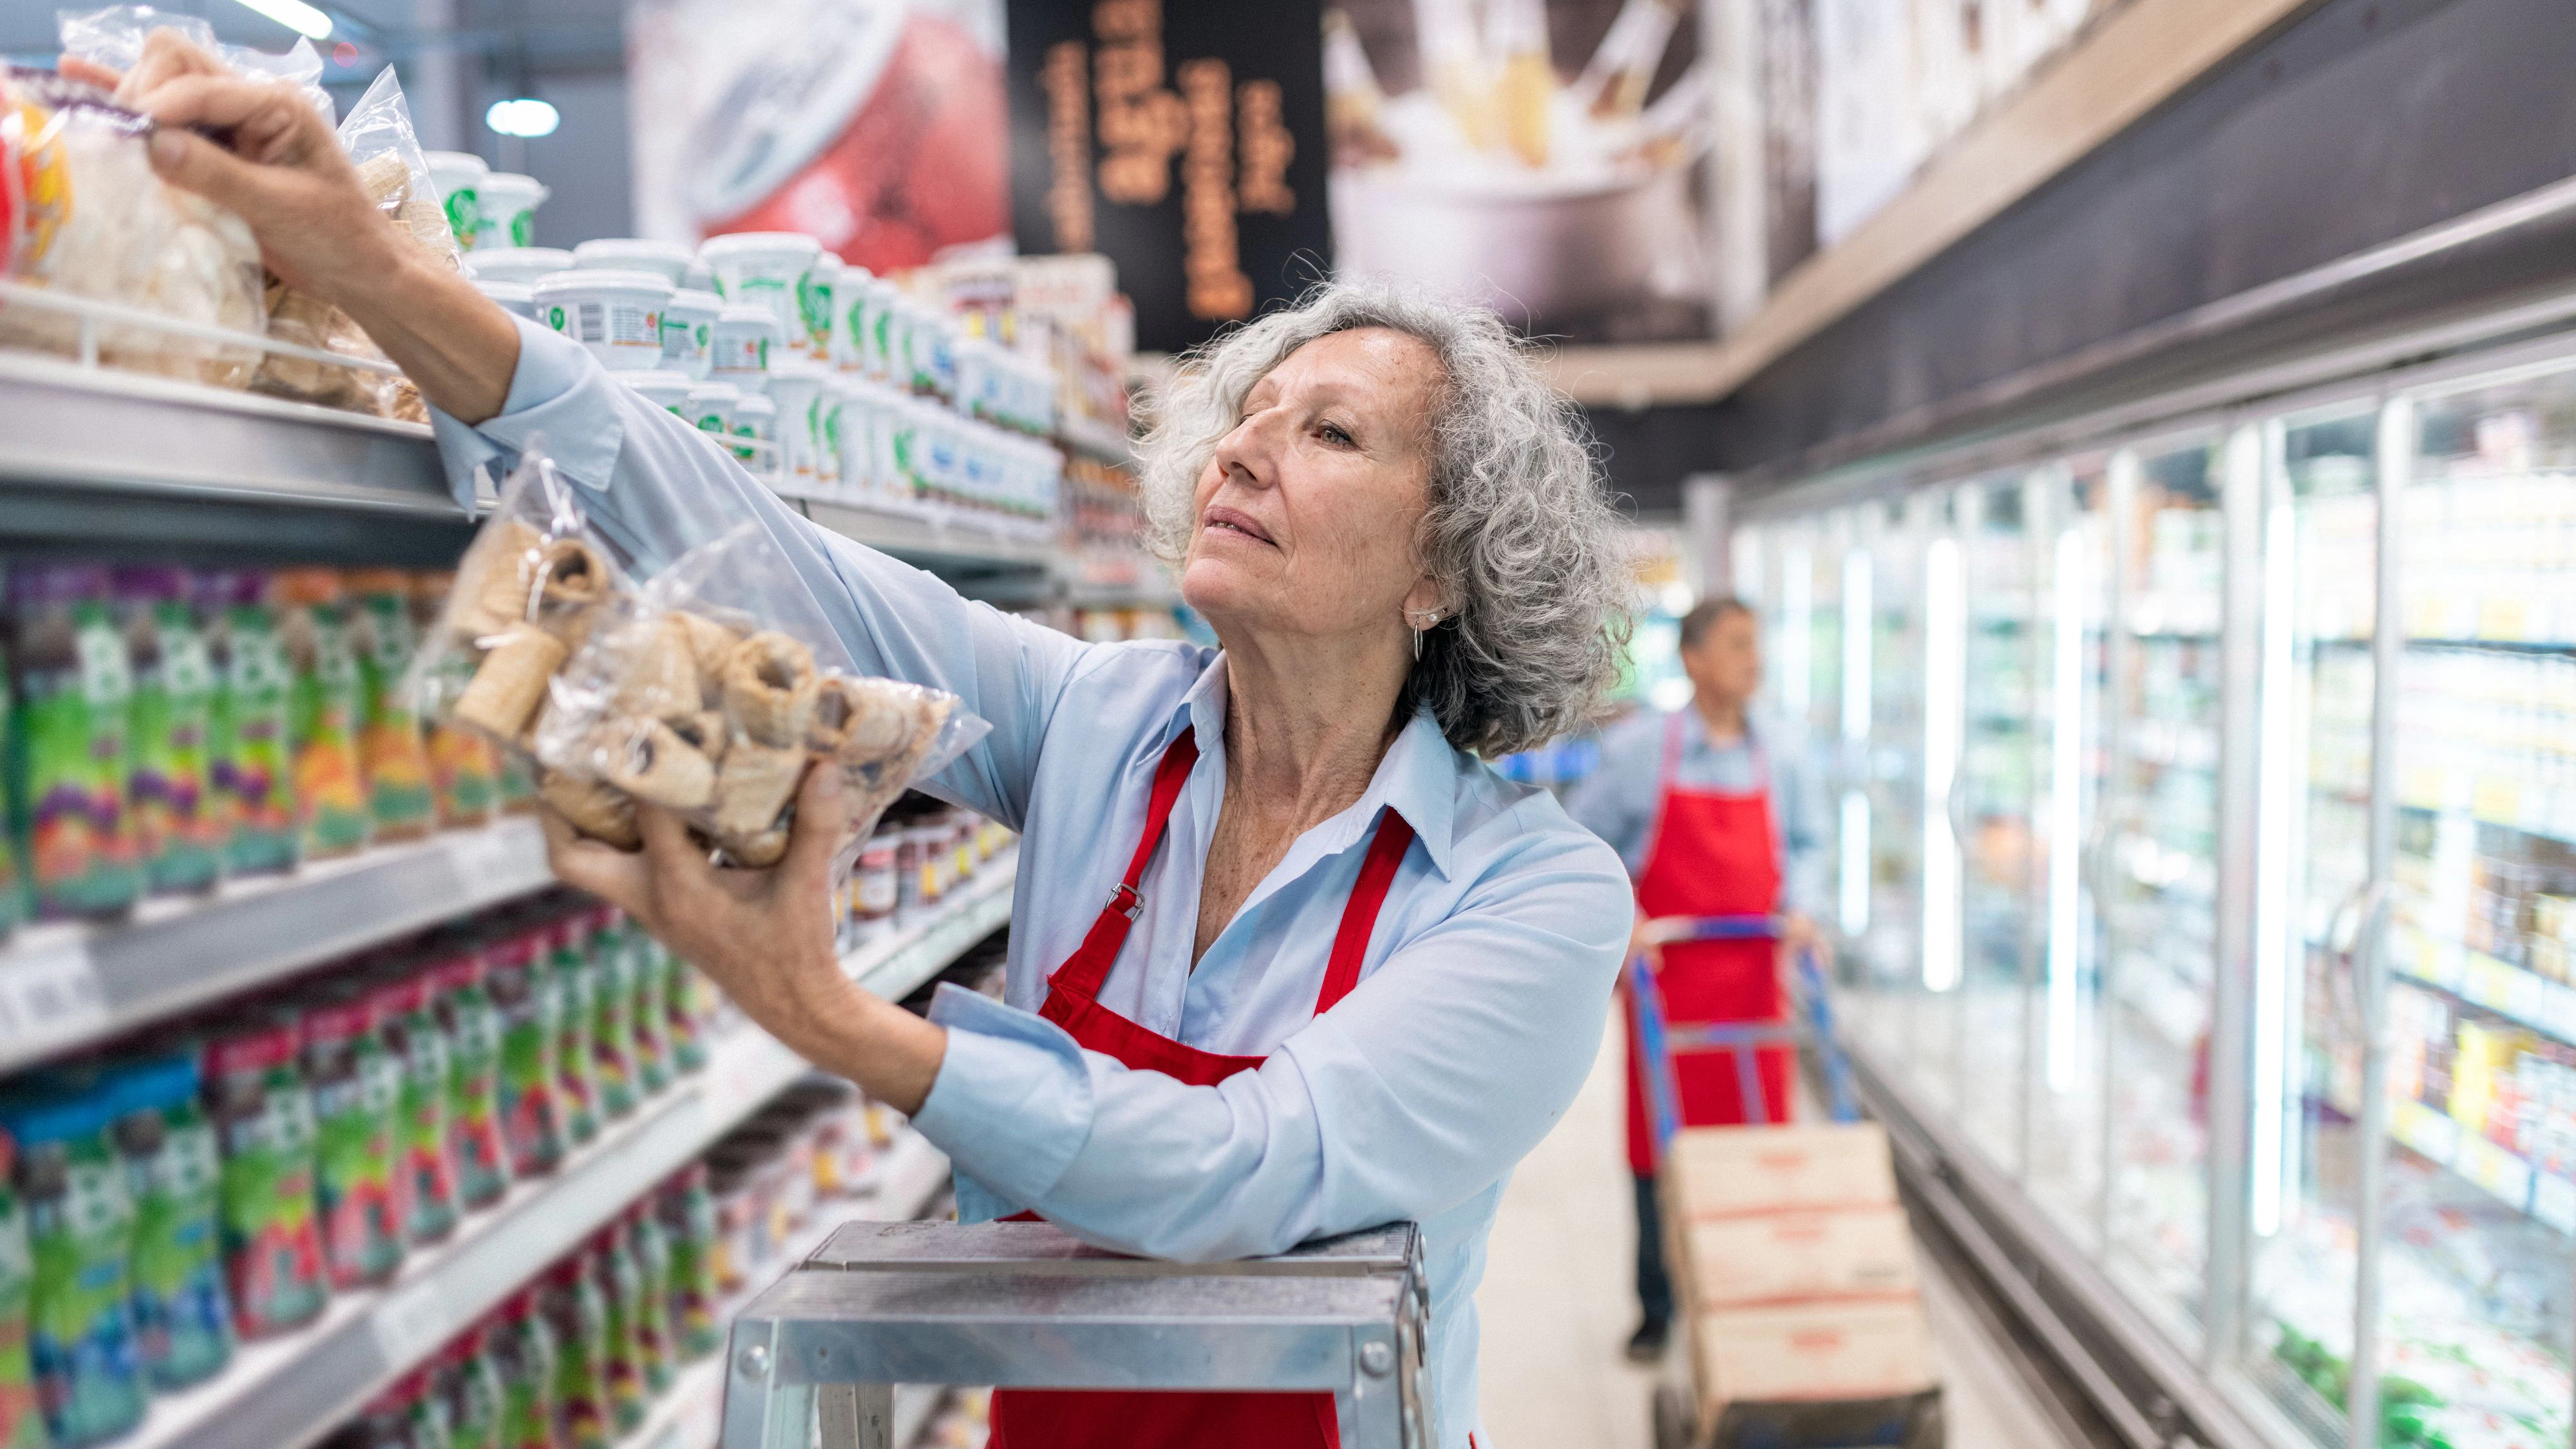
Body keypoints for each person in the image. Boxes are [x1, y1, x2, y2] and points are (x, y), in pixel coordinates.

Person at [97, 41, 1641, 1448]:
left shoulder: (1530, 896)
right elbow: (767, 557)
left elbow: (1245, 1168)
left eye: (1330, 433)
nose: (1240, 440)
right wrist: (374, 271)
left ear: (1446, 567)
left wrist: (839, 1020)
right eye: (1251, 408)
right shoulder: (1097, 723)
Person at [1564, 597, 1827, 1362]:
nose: (1755, 659)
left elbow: (1807, 843)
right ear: (1693, 659)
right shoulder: (1645, 750)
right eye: (1739, 644)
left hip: (1752, 981)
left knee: (1753, 1138)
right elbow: (1582, 843)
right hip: (1668, 985)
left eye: (1758, 643)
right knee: (1659, 1146)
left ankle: (1746, 1288)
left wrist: (1803, 910)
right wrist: (1627, 919)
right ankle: (1657, 1305)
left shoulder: (1782, 753)